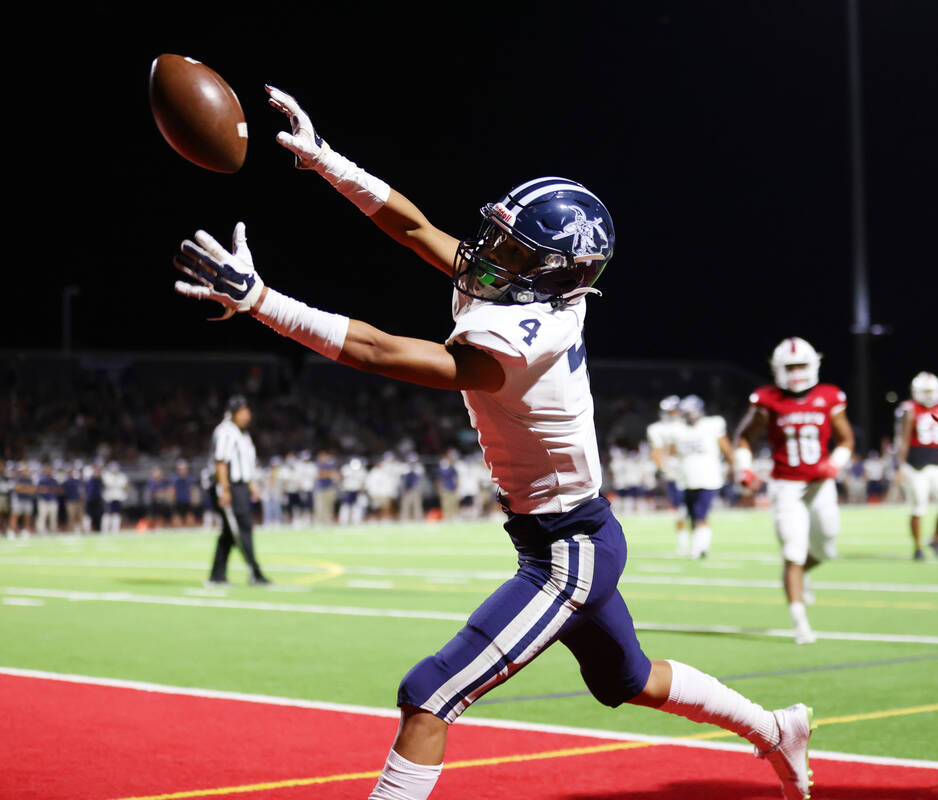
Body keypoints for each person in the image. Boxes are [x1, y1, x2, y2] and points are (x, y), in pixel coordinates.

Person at [169, 85, 816, 800]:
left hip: (569, 549)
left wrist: (262, 301)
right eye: (501, 237)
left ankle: (774, 732)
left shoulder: (524, 335)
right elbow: (414, 229)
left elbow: (382, 353)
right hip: (566, 534)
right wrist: (327, 162)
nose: (488, 254)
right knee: (625, 680)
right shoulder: (525, 292)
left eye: (514, 249)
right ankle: (775, 729)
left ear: (556, 272)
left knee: (430, 694)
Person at [732, 337, 853, 644]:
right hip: (785, 486)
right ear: (777, 369)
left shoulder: (829, 396)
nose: (796, 372)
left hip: (820, 484)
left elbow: (846, 440)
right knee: (793, 551)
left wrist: (835, 464)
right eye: (790, 366)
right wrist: (744, 468)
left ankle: (803, 574)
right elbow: (744, 437)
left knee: (826, 549)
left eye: (801, 365)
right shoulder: (766, 399)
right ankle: (799, 621)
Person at [207, 395, 270, 587]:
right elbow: (221, 463)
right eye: (243, 411)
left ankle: (217, 576)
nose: (248, 414)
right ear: (234, 413)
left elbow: (245, 465)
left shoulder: (242, 433)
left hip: (240, 486)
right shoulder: (226, 431)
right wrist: (225, 490)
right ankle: (255, 573)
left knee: (229, 533)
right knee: (243, 529)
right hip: (231, 487)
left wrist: (251, 487)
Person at [895, 372, 938, 561]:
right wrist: (899, 466)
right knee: (918, 508)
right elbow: (903, 439)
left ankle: (936, 539)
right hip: (915, 464)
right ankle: (917, 547)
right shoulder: (910, 409)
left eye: (932, 391)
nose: (929, 395)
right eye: (926, 391)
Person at [671, 395, 734, 559]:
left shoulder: (712, 425)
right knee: (690, 515)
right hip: (686, 479)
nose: (690, 415)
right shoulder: (678, 429)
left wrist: (735, 466)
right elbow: (672, 452)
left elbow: (726, 447)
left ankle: (700, 548)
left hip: (708, 477)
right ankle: (699, 545)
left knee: (701, 513)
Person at [646, 395, 687, 546]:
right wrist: (664, 469)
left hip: (691, 471)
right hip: (675, 472)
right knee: (680, 508)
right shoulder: (658, 429)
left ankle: (697, 539)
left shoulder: (687, 425)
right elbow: (656, 452)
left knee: (694, 507)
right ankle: (683, 540)